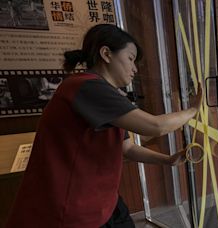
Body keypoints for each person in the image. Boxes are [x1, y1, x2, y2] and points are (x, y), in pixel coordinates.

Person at [6, 24, 202, 228]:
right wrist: (193, 110)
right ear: (106, 54)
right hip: (72, 207)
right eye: (130, 59)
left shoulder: (107, 94)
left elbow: (127, 148)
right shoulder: (85, 86)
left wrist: (168, 160)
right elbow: (155, 126)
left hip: (102, 199)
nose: (135, 68)